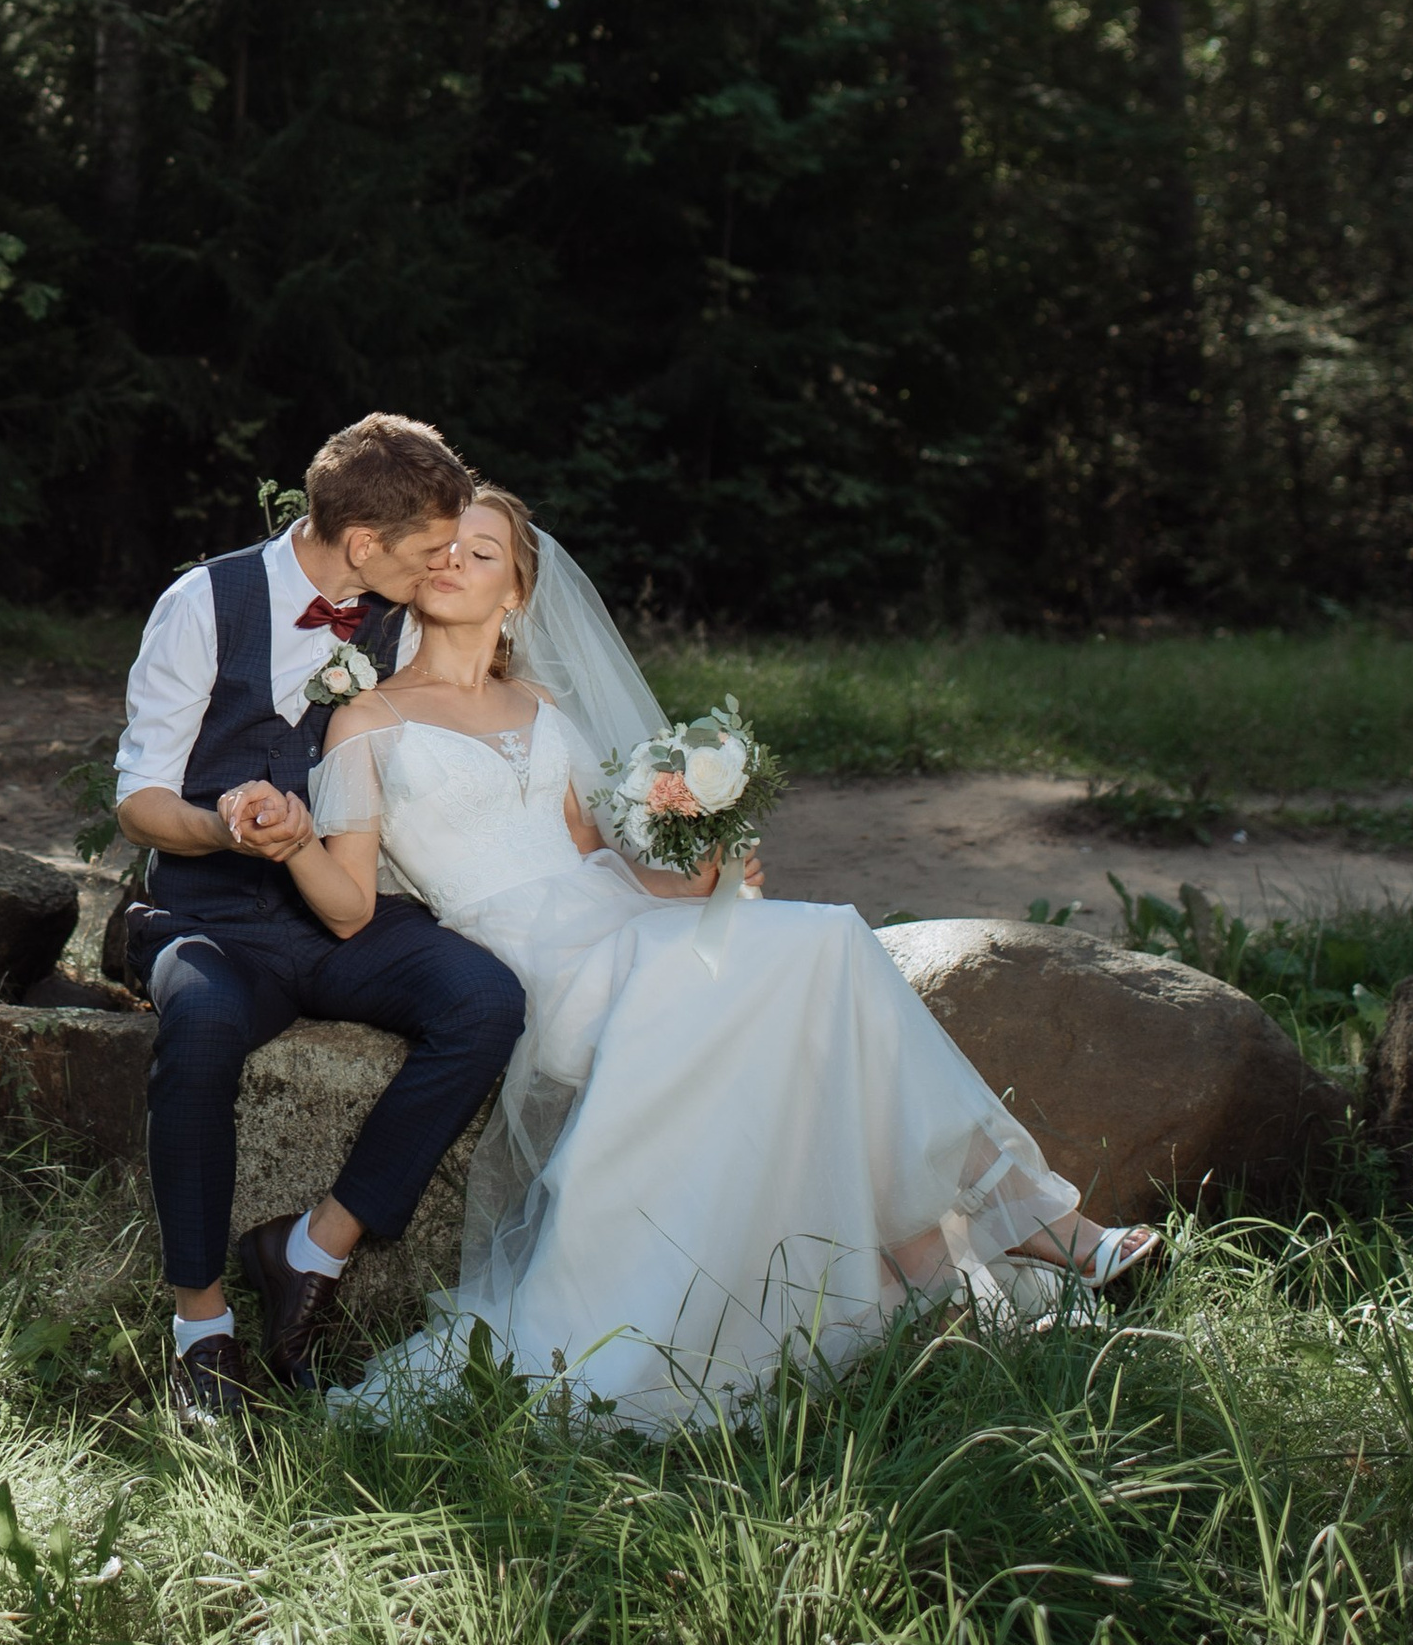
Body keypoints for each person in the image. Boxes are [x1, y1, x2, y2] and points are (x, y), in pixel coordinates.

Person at [307, 492, 1164, 1430]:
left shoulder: (542, 708)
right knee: (815, 955)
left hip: (620, 920)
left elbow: (597, 856)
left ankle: (951, 1257)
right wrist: (280, 841)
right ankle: (1003, 1236)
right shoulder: (367, 721)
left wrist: (700, 874)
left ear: (517, 592)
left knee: (822, 946)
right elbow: (350, 901)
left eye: (481, 554)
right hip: (529, 956)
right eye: (441, 547)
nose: (451, 564)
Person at [110, 413, 528, 1427]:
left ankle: (310, 1248)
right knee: (201, 1024)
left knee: (484, 999)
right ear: (363, 543)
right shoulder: (202, 605)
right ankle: (201, 1328)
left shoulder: (403, 613)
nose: (444, 565)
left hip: (346, 913)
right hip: (214, 917)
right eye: (431, 549)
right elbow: (138, 800)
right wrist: (220, 825)